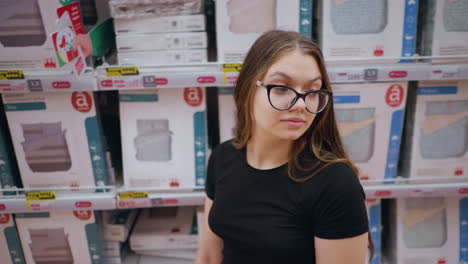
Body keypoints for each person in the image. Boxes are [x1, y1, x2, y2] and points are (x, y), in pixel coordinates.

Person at [195, 30, 373, 264]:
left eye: (311, 92)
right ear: (248, 89)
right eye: (281, 88)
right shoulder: (223, 157)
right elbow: (208, 257)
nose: (300, 104)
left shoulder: (335, 184)